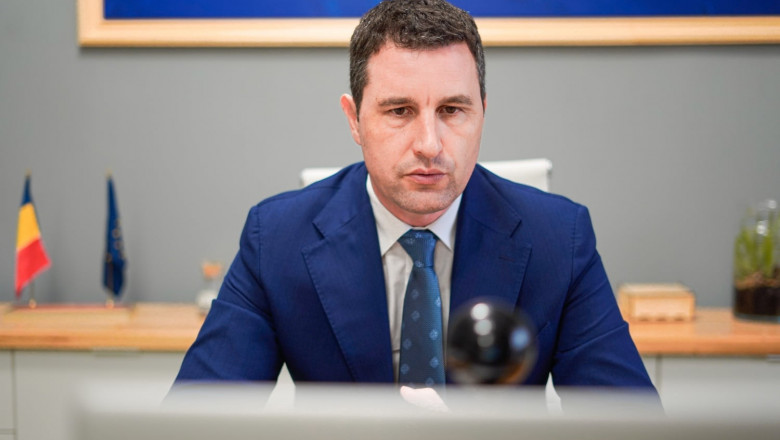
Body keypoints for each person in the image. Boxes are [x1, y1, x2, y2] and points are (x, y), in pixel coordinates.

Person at [176, 0, 655, 392]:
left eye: (452, 110)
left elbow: (627, 423)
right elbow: (198, 418)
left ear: (482, 113)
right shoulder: (277, 238)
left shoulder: (560, 239)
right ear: (354, 120)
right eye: (400, 111)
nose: (429, 143)